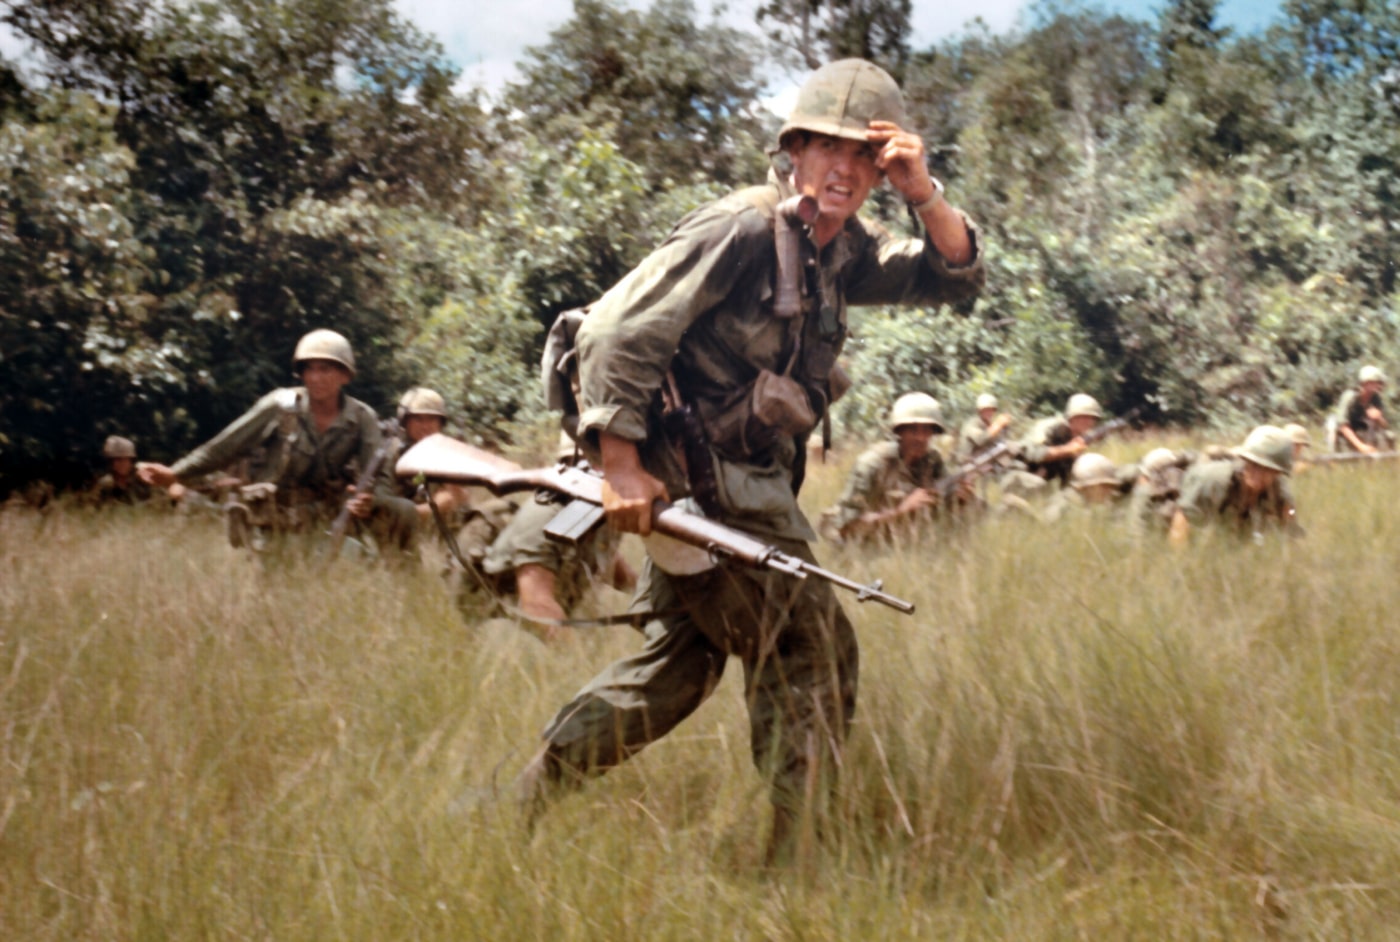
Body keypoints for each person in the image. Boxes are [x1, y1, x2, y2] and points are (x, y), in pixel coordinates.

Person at [513, 58, 984, 861]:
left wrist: (924, 192)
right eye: (826, 148)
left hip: (744, 494)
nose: (844, 168)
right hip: (694, 494)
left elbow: (952, 277)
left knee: (679, 670)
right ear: (793, 150)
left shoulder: (845, 251)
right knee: (810, 647)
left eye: (863, 155)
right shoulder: (740, 227)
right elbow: (617, 333)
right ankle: (800, 858)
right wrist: (620, 466)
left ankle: (517, 801)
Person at [138, 329, 418, 556]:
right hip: (277, 516)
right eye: (309, 369)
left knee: (402, 511)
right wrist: (176, 472)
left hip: (328, 513)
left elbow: (378, 474)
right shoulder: (281, 405)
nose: (316, 377)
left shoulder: (361, 417)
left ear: (345, 375)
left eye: (326, 369)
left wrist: (370, 500)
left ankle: (404, 588)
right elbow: (226, 446)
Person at [476, 436, 639, 640]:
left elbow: (605, 555)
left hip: (555, 618)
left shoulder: (600, 508)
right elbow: (536, 604)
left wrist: (645, 593)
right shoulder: (544, 515)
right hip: (510, 624)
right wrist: (574, 661)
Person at [818, 392, 967, 544]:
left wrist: (959, 498)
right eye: (913, 430)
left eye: (926, 430)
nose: (921, 438)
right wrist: (901, 511)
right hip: (866, 545)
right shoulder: (871, 464)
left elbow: (942, 502)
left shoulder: (932, 459)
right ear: (899, 431)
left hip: (909, 543)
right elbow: (847, 528)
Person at [1169, 425, 1299, 544]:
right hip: (1179, 497)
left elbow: (1291, 533)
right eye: (1253, 464)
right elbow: (1181, 520)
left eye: (1266, 469)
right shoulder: (1215, 480)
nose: (1257, 473)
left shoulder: (1280, 494)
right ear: (1245, 460)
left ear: (1278, 472)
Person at [392, 387, 471, 526]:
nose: (425, 426)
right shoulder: (394, 453)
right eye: (418, 419)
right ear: (405, 422)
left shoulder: (449, 453)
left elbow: (462, 501)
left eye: (431, 419)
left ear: (440, 423)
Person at [1002, 393, 1103, 497]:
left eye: (1094, 419)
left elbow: (1067, 479)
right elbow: (1032, 453)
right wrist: (1068, 450)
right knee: (1042, 488)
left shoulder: (1074, 440)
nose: (1090, 423)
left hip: (1037, 484)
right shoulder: (1050, 427)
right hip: (1016, 477)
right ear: (1073, 417)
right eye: (1086, 417)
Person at [1041, 452, 1126, 523]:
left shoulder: (1099, 507)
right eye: (1104, 486)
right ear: (1086, 486)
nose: (1108, 491)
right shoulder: (1061, 504)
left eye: (1110, 486)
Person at [1330, 365, 1392, 454]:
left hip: (1362, 430)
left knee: (1390, 436)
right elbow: (1343, 425)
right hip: (1345, 431)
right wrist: (1361, 446)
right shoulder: (1350, 397)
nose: (1379, 386)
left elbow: (1385, 425)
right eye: (1377, 382)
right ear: (1367, 383)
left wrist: (1379, 418)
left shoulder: (1375, 398)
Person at [86, 435, 156, 506]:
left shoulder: (142, 478)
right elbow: (92, 508)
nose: (118, 464)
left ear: (130, 460)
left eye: (122, 460)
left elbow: (156, 502)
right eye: (114, 460)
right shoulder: (106, 484)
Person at [954, 392, 1012, 464]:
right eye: (985, 409)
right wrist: (998, 424)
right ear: (979, 410)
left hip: (982, 461)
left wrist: (1004, 428)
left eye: (991, 409)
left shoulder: (989, 425)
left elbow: (1000, 442)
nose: (989, 412)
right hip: (967, 465)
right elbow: (981, 439)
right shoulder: (972, 423)